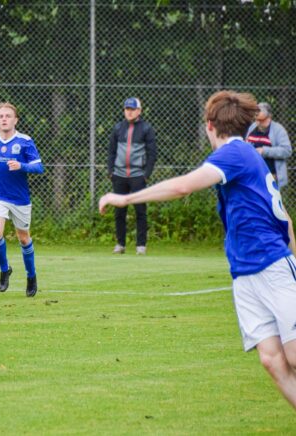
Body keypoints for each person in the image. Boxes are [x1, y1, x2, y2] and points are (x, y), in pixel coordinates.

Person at [99, 90, 296, 410]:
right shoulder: (247, 156)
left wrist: (124, 198)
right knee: (273, 361)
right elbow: (285, 219)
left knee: (293, 355)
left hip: (272, 265)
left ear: (209, 126)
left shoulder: (234, 154)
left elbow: (182, 186)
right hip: (244, 273)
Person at [0, 102, 44, 297]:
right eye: (1, 116)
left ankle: (31, 276)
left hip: (20, 198)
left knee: (24, 238)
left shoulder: (25, 141)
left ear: (15, 120)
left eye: (8, 116)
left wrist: (21, 166)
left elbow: (38, 167)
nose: (4, 119)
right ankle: (4, 270)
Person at [107, 97, 157, 255]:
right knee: (119, 211)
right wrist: (111, 172)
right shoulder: (117, 128)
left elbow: (152, 154)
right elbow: (111, 152)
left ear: (139, 111)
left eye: (133, 109)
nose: (129, 112)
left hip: (138, 176)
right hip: (119, 175)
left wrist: (146, 175)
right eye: (127, 109)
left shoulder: (146, 129)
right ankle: (120, 244)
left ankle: (140, 245)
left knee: (140, 210)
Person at [246, 102, 292, 191]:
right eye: (257, 120)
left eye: (262, 120)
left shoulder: (278, 129)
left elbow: (287, 151)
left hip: (271, 176)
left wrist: (264, 151)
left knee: (271, 203)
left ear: (269, 117)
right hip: (252, 175)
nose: (259, 123)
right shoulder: (252, 127)